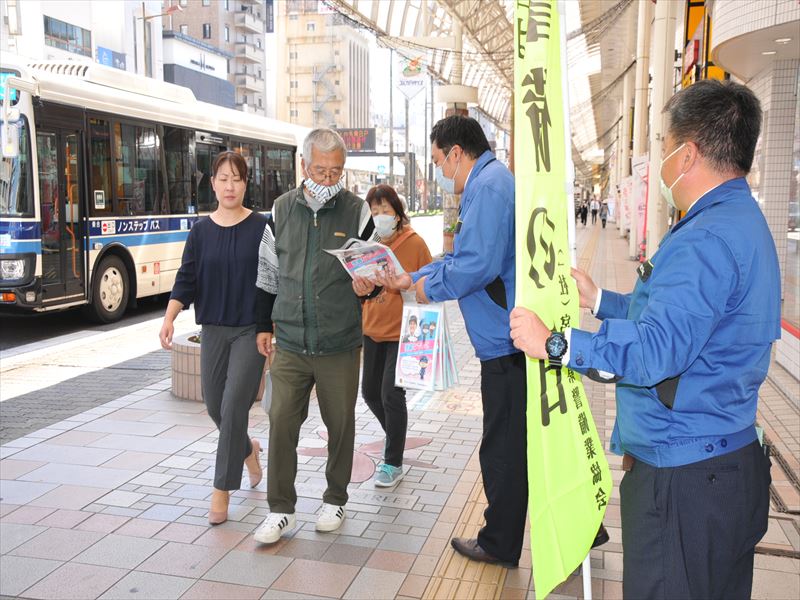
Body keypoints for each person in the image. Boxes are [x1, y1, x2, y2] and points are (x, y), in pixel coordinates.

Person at [509, 79, 780, 599]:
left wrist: (556, 344)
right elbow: (695, 324)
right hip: (728, 464)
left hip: (685, 479)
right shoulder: (743, 223)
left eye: (664, 146)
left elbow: (656, 352)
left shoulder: (704, 239)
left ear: (689, 153)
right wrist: (603, 300)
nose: (661, 162)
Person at [376, 114, 527, 568]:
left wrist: (421, 288)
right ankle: (586, 525)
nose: (440, 171)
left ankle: (499, 543)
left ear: (457, 153)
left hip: (507, 345)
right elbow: (460, 257)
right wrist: (412, 277)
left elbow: (474, 266)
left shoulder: (489, 187)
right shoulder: (492, 183)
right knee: (521, 443)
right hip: (507, 341)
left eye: (440, 160)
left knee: (502, 449)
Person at [252, 128, 377, 544]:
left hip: (339, 340)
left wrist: (370, 285)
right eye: (321, 170)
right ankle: (280, 509)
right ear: (304, 166)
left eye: (335, 171)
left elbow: (373, 270)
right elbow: (267, 273)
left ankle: (335, 497)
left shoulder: (357, 211)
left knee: (340, 424)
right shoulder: (281, 209)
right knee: (281, 422)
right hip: (289, 338)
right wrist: (262, 326)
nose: (328, 179)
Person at [159, 151, 268, 525]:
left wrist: (272, 328)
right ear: (213, 184)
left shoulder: (262, 227)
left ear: (246, 183)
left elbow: (272, 282)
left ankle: (220, 492)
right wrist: (170, 317)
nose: (229, 185)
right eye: (223, 178)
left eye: (236, 178)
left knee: (234, 405)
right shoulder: (201, 231)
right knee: (214, 406)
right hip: (214, 331)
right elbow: (186, 279)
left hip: (251, 331)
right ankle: (249, 450)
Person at [360, 184, 433, 487]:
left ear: (398, 212)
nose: (380, 217)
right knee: (369, 393)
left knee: (391, 394)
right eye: (375, 212)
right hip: (372, 327)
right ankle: (396, 436)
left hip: (404, 331)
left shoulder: (415, 243)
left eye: (385, 211)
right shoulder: (369, 243)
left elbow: (430, 285)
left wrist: (407, 284)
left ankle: (393, 462)